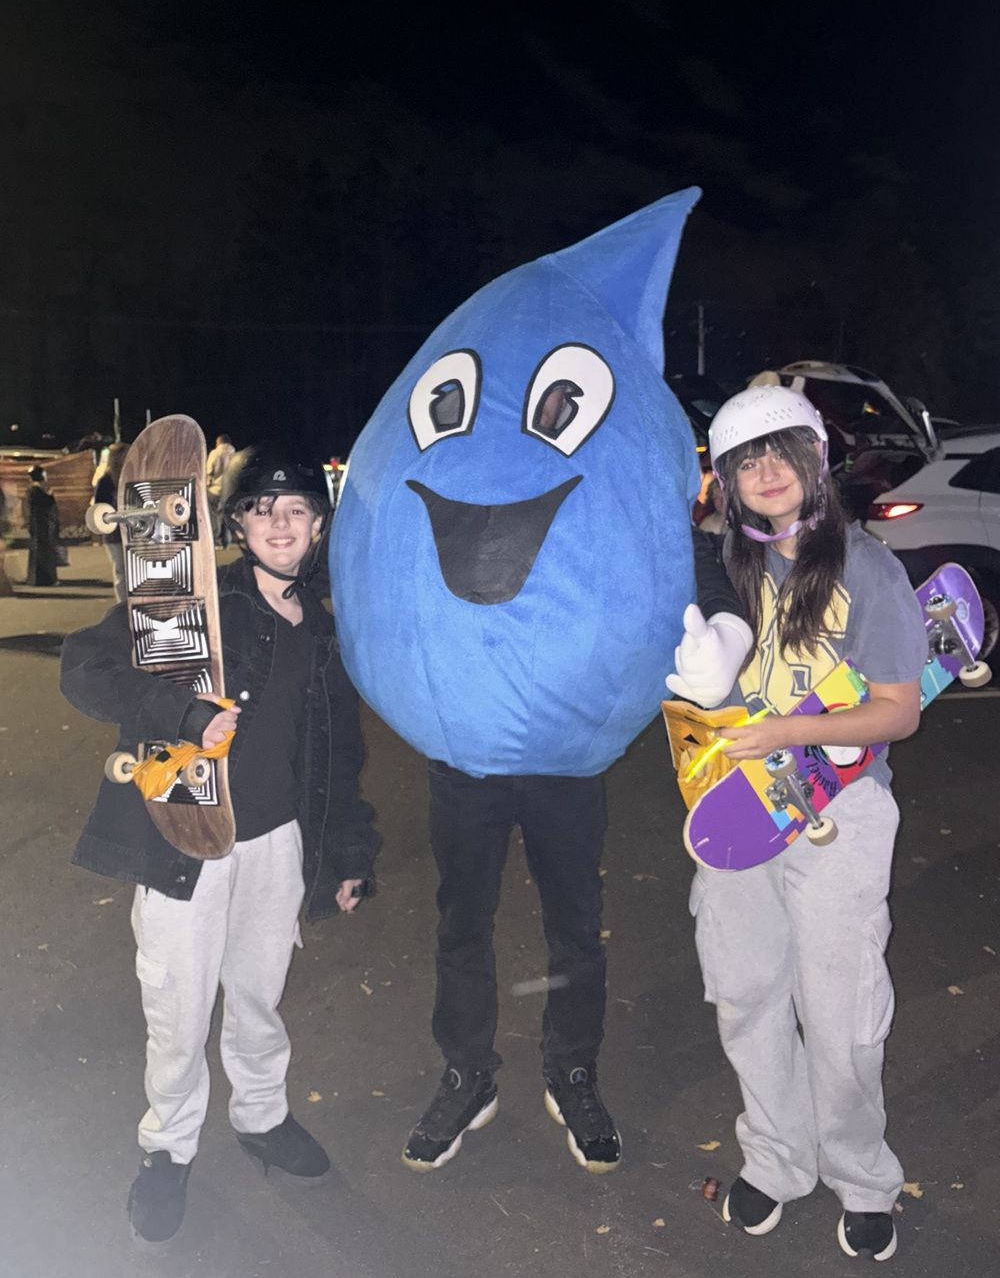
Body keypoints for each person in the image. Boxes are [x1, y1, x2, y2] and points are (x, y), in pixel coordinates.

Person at [59, 444, 380, 1244]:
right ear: (236, 523)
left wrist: (346, 852)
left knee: (259, 998)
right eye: (263, 510)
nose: (280, 522)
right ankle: (167, 1148)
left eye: (297, 509)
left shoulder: (325, 628)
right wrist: (184, 716)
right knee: (178, 1005)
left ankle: (262, 1116)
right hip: (185, 837)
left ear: (317, 526)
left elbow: (339, 754)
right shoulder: (191, 600)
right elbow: (84, 666)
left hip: (278, 847)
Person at [400, 530, 750, 1176]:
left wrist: (726, 622)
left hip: (566, 753)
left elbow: (669, 538)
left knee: (575, 926)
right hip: (465, 752)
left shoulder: (583, 470)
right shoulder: (465, 462)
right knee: (463, 924)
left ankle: (572, 1069)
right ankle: (467, 1073)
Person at [691, 376, 927, 1261]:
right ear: (728, 479)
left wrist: (795, 729)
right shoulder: (720, 564)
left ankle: (862, 1173)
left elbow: (899, 708)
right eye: (747, 458)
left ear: (814, 461)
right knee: (747, 991)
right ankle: (779, 1156)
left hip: (843, 806)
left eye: (780, 451)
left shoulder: (865, 566)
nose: (766, 470)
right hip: (737, 813)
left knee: (841, 1007)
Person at [93, 443, 128, 602]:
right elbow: (99, 507)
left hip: (132, 530)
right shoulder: (106, 481)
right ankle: (122, 605)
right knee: (121, 570)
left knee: (134, 570)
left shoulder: (131, 476)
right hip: (114, 532)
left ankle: (134, 604)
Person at [23, 464, 60, 586]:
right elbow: (50, 505)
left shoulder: (31, 490)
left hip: (36, 525)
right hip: (43, 525)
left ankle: (35, 578)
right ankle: (44, 579)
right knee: (44, 553)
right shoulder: (39, 490)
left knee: (37, 552)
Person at [206, 433, 236, 546]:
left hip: (215, 490)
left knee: (214, 516)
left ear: (219, 442)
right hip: (229, 491)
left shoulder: (214, 453)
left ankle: (216, 540)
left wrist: (207, 485)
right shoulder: (235, 454)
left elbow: (209, 472)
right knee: (226, 515)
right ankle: (227, 540)